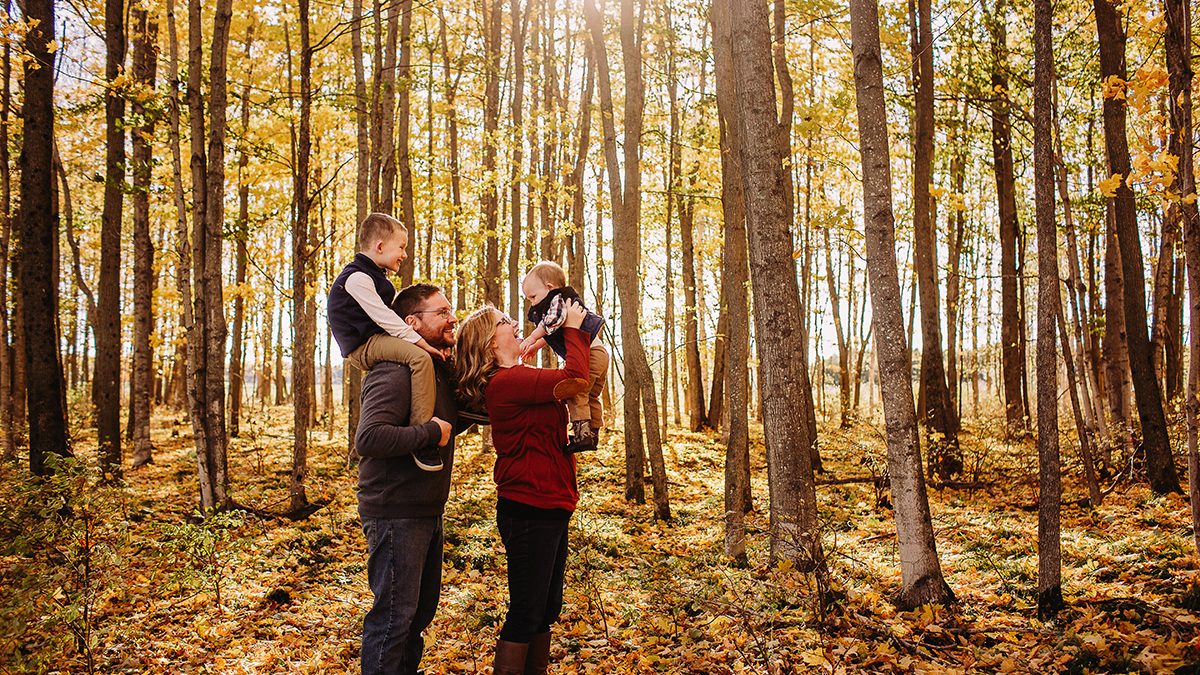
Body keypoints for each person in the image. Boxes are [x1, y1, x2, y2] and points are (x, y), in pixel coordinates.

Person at [455, 300, 592, 675]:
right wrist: (576, 329)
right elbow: (576, 378)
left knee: (544, 610)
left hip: (552, 504)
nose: (514, 321)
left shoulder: (518, 375)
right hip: (530, 507)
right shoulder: (508, 382)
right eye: (503, 321)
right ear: (489, 344)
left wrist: (537, 339)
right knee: (526, 611)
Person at [354, 284, 469, 675]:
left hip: (426, 510)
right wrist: (427, 434)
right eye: (442, 312)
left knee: (416, 618)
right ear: (412, 322)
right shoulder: (396, 369)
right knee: (393, 620)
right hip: (395, 512)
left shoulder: (435, 368)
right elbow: (369, 438)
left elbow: (448, 426)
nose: (453, 318)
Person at [328, 212, 447, 472]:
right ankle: (422, 435)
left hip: (377, 338)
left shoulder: (378, 279)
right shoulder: (357, 278)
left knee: (423, 354)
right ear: (380, 247)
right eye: (401, 247)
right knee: (419, 358)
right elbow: (385, 318)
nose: (404, 254)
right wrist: (421, 343)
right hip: (363, 346)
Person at [518, 261, 609, 453]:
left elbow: (553, 321)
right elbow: (556, 331)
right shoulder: (557, 302)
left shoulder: (557, 300)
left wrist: (533, 337)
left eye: (533, 296)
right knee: (591, 395)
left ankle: (582, 435)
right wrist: (536, 346)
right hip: (599, 354)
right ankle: (592, 435)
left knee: (575, 390)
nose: (532, 302)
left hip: (590, 354)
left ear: (549, 288)